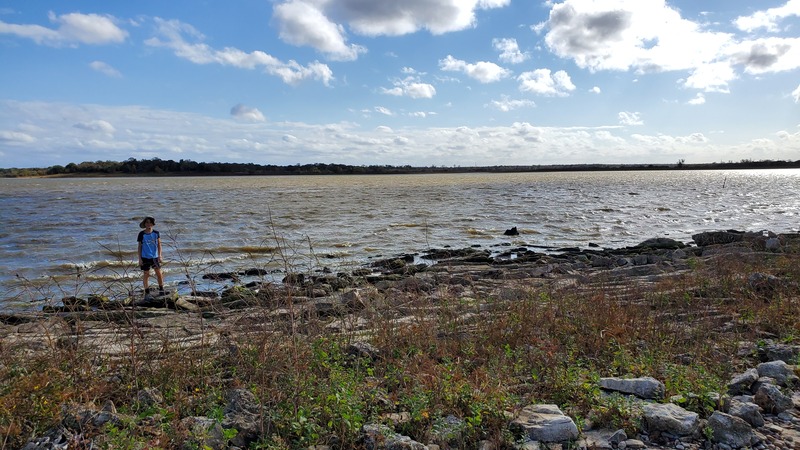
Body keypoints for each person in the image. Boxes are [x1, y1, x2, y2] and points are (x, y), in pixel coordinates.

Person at [137, 216, 164, 296]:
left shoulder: (156, 233)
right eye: (147, 222)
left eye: (150, 222)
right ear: (145, 224)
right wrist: (140, 259)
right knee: (146, 274)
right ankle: (147, 291)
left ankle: (161, 289)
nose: (148, 224)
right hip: (145, 257)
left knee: (159, 273)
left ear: (152, 224)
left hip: (155, 257)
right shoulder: (141, 234)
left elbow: (159, 245)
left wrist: (160, 255)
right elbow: (139, 247)